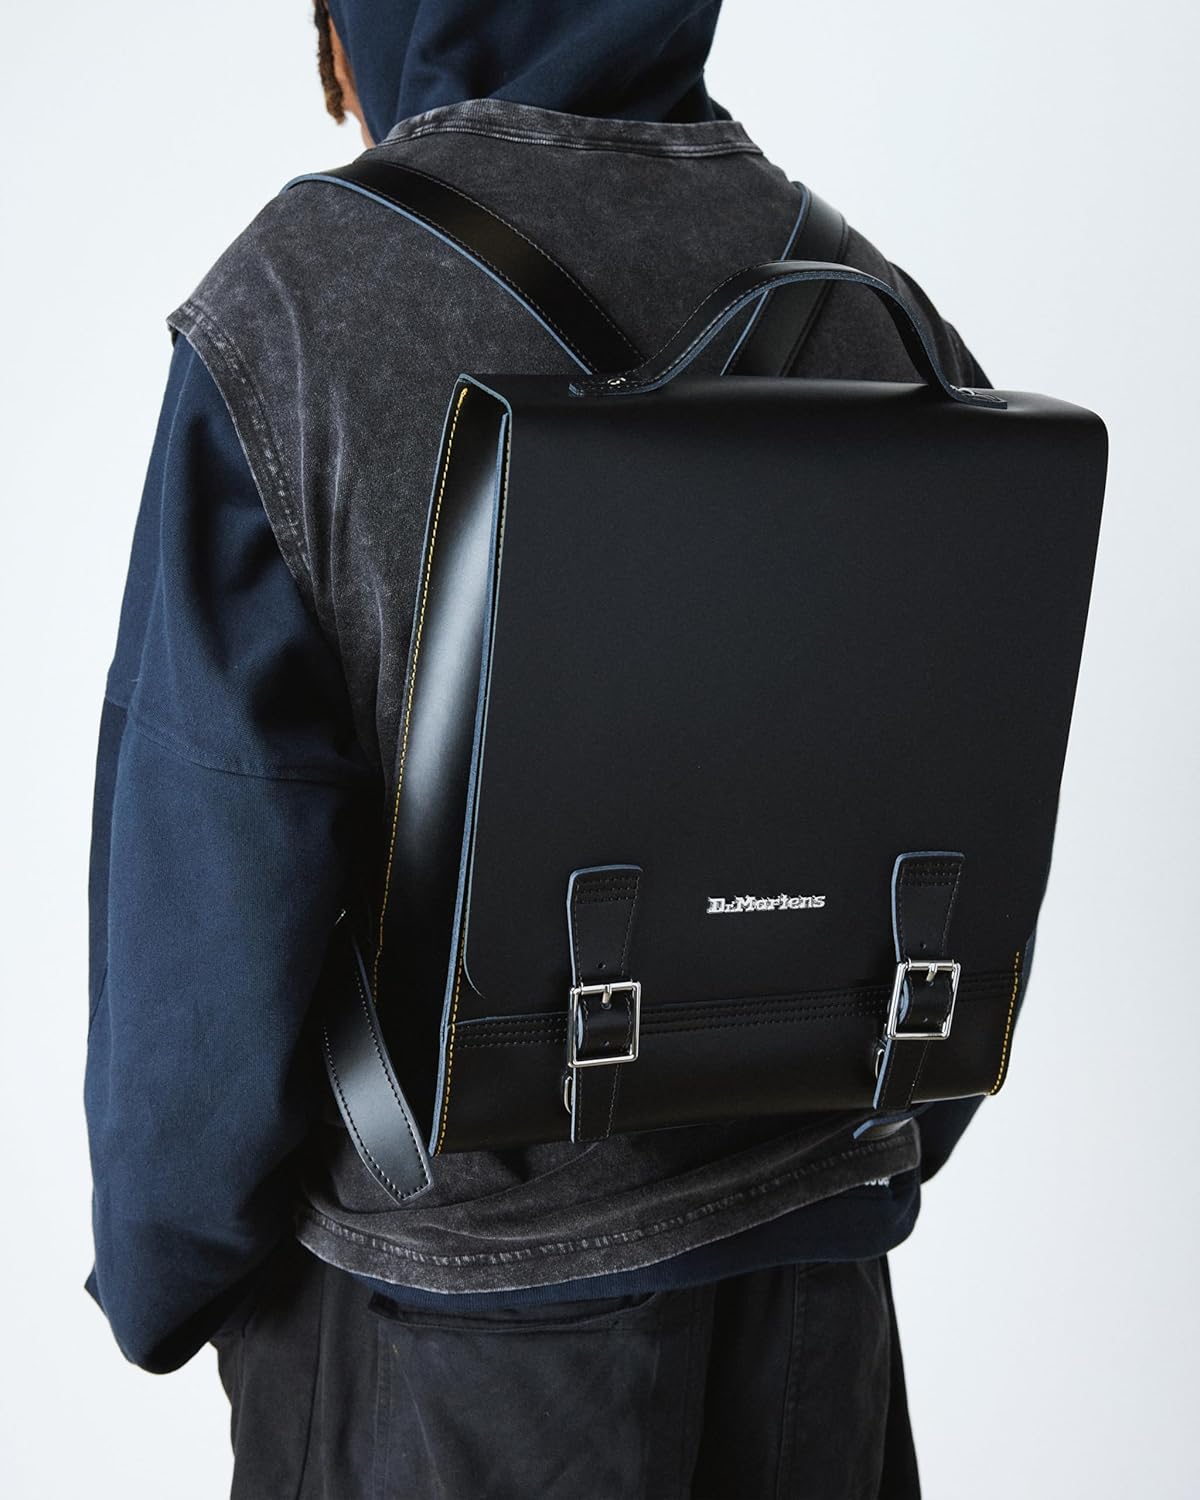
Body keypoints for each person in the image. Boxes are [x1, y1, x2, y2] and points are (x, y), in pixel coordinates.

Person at [84, 2, 996, 1495]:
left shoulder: (296, 307)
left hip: (439, 1341)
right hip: (815, 1307)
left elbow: (207, 886)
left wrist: (162, 1276)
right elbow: (963, 802)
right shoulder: (860, 288)